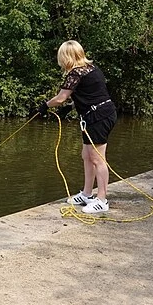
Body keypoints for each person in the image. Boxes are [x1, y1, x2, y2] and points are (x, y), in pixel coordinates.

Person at [39, 40, 118, 214]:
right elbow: (91, 94)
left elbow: (60, 98)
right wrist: (71, 107)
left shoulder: (76, 73)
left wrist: (45, 106)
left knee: (98, 159)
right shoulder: (92, 70)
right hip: (96, 115)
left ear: (66, 57)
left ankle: (102, 200)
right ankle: (87, 194)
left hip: (99, 117)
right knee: (86, 155)